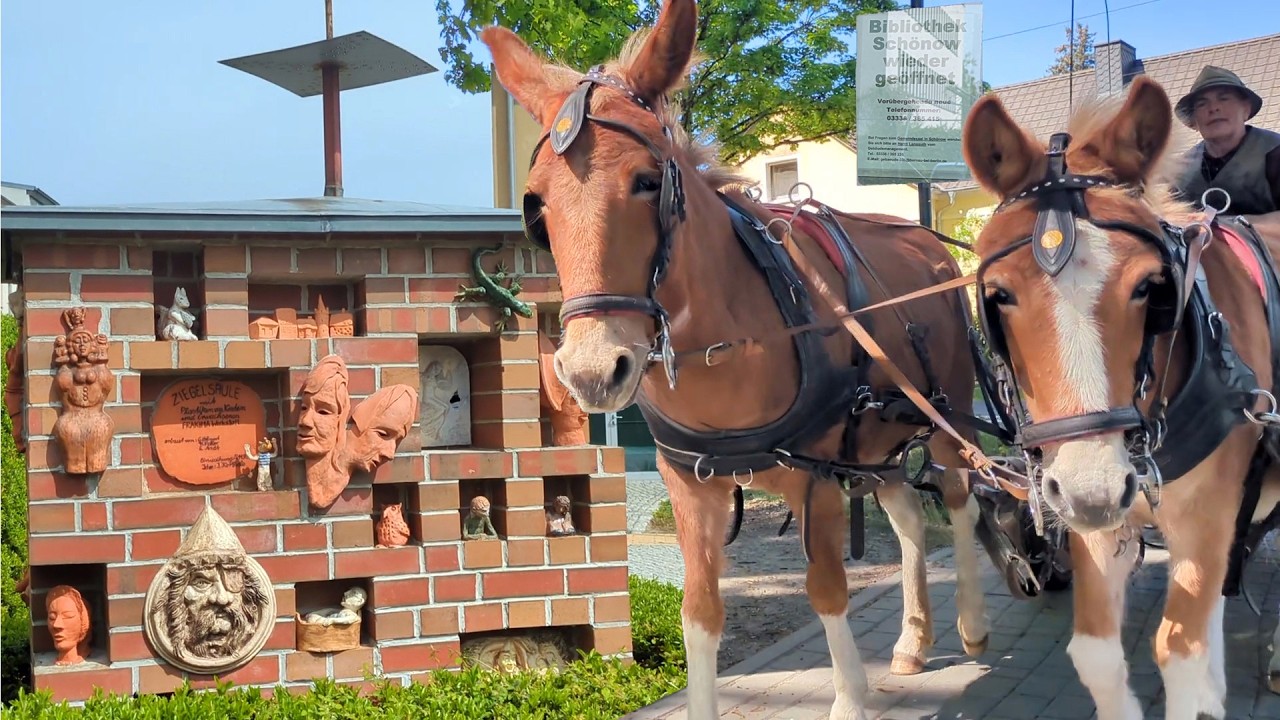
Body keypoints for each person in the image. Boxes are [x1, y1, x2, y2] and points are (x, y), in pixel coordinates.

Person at [1173, 65, 1280, 218]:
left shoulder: (1275, 152)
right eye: (1202, 104)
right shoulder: (1180, 171)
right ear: (1194, 120)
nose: (1214, 108)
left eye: (1224, 98)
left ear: (1246, 109)